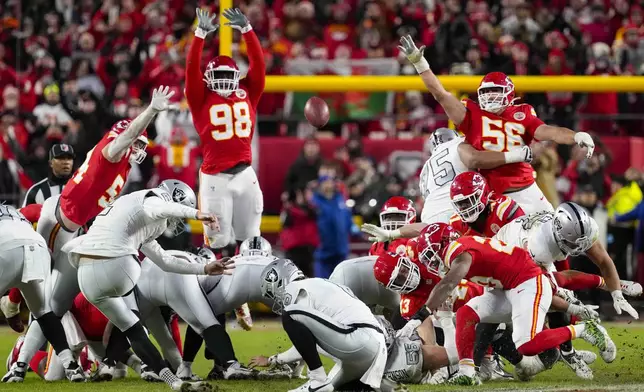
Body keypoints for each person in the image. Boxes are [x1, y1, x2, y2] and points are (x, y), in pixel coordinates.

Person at [3, 85, 176, 384]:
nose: (138, 150)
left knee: (54, 304)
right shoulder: (111, 152)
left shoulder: (121, 168)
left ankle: (29, 362)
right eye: (136, 144)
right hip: (58, 222)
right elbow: (123, 138)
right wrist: (151, 111)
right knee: (40, 292)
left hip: (71, 227)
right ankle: (15, 313)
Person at [61, 179, 230, 391]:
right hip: (118, 265)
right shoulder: (152, 199)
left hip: (86, 276)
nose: (176, 221)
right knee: (137, 314)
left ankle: (174, 382)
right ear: (175, 198)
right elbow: (161, 208)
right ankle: (125, 346)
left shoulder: (135, 215)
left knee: (134, 331)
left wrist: (203, 269)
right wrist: (197, 214)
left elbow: (165, 261)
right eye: (180, 210)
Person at [398, 35, 596, 214]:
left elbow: (549, 132)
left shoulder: (522, 113)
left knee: (555, 236)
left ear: (509, 94)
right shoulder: (472, 114)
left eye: (496, 91)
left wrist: (575, 136)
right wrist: (420, 63)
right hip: (492, 194)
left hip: (526, 187)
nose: (491, 97)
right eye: (486, 92)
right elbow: (440, 94)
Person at [420, 223, 615, 385]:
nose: (431, 261)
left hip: (527, 282)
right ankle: (467, 373)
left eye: (431, 254)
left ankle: (584, 330)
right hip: (509, 286)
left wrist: (422, 314)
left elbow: (449, 282)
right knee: (466, 313)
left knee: (527, 345)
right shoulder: (462, 245)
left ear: (443, 244)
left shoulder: (456, 250)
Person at [138, 238, 276, 381]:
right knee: (206, 321)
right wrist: (240, 306)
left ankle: (145, 366)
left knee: (132, 327)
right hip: (181, 275)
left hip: (147, 271)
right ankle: (228, 365)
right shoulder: (221, 262)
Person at [186, 8, 265, 253]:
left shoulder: (247, 92)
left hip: (245, 172)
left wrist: (247, 30)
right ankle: (215, 286)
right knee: (217, 243)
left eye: (227, 74)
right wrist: (199, 34)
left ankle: (249, 284)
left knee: (252, 238)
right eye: (217, 74)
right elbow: (190, 70)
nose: (222, 79)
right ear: (208, 78)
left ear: (236, 76)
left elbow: (259, 65)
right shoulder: (200, 98)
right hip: (214, 177)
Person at [259, 259, 388, 392]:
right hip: (374, 350)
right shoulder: (317, 284)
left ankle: (317, 379)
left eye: (273, 294)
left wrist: (274, 359)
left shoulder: (296, 287)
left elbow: (303, 342)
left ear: (282, 281)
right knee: (331, 389)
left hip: (359, 338)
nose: (276, 299)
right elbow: (307, 340)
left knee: (289, 313)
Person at [0, 205, 86, 383]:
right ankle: (71, 366)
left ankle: (20, 366)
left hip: (6, 248)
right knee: (44, 313)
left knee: (43, 312)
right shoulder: (12, 210)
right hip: (38, 247)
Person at [419, 128, 532, 225]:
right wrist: (516, 155)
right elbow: (474, 159)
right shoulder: (457, 143)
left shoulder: (424, 170)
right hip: (459, 210)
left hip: (428, 218)